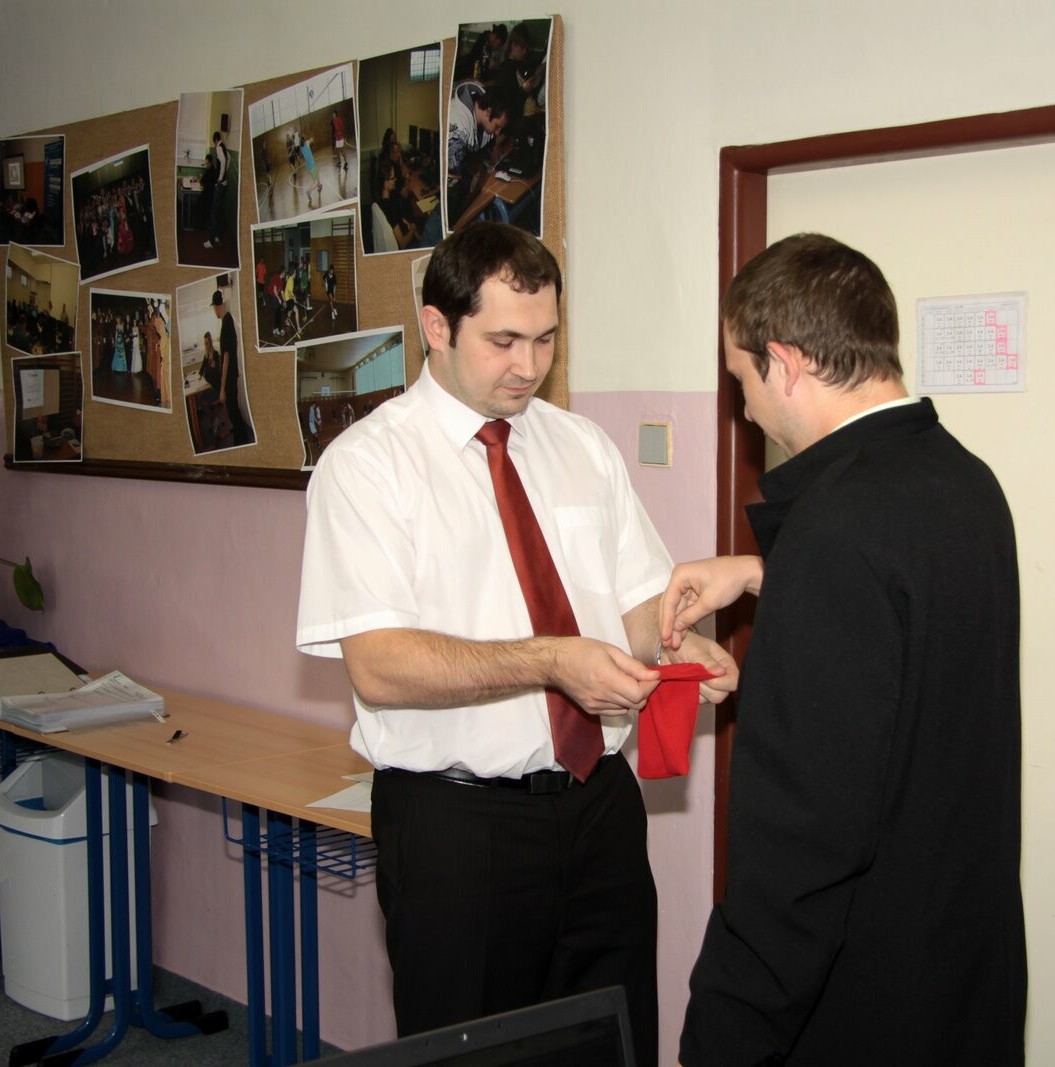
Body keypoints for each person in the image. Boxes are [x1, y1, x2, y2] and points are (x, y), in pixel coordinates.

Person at [294, 223, 737, 1067]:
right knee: (471, 1053)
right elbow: (378, 665)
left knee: (611, 1040)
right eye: (503, 341)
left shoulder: (580, 446)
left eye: (545, 340)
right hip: (459, 823)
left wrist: (680, 643)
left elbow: (633, 604)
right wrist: (549, 661)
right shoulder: (368, 466)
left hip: (598, 807)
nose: (528, 366)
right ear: (436, 326)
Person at [664, 234, 1026, 1066]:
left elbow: (798, 856)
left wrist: (719, 1040)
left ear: (787, 364)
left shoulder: (833, 532)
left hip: (869, 1002)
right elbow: (911, 634)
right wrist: (765, 574)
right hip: (963, 976)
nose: (746, 409)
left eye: (742, 378)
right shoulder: (965, 481)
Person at [445, 81, 514, 223]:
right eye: (497, 127)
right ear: (488, 112)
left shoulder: (483, 105)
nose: (498, 132)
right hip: (448, 193)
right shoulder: (459, 126)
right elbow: (454, 175)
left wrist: (495, 146)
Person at [211, 290, 252, 444]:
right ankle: (241, 439)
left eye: (214, 307)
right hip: (232, 375)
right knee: (233, 411)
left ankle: (242, 441)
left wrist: (222, 389)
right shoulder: (227, 321)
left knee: (233, 412)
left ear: (217, 306)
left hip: (230, 376)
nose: (214, 311)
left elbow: (226, 357)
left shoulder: (227, 323)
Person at [204, 131, 230, 249]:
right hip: (224, 184)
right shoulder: (224, 147)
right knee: (219, 212)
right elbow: (228, 159)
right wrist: (223, 176)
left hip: (220, 184)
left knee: (214, 213)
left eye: (213, 143)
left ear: (215, 140)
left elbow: (223, 161)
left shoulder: (219, 147)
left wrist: (220, 177)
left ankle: (211, 241)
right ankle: (217, 237)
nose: (214, 145)